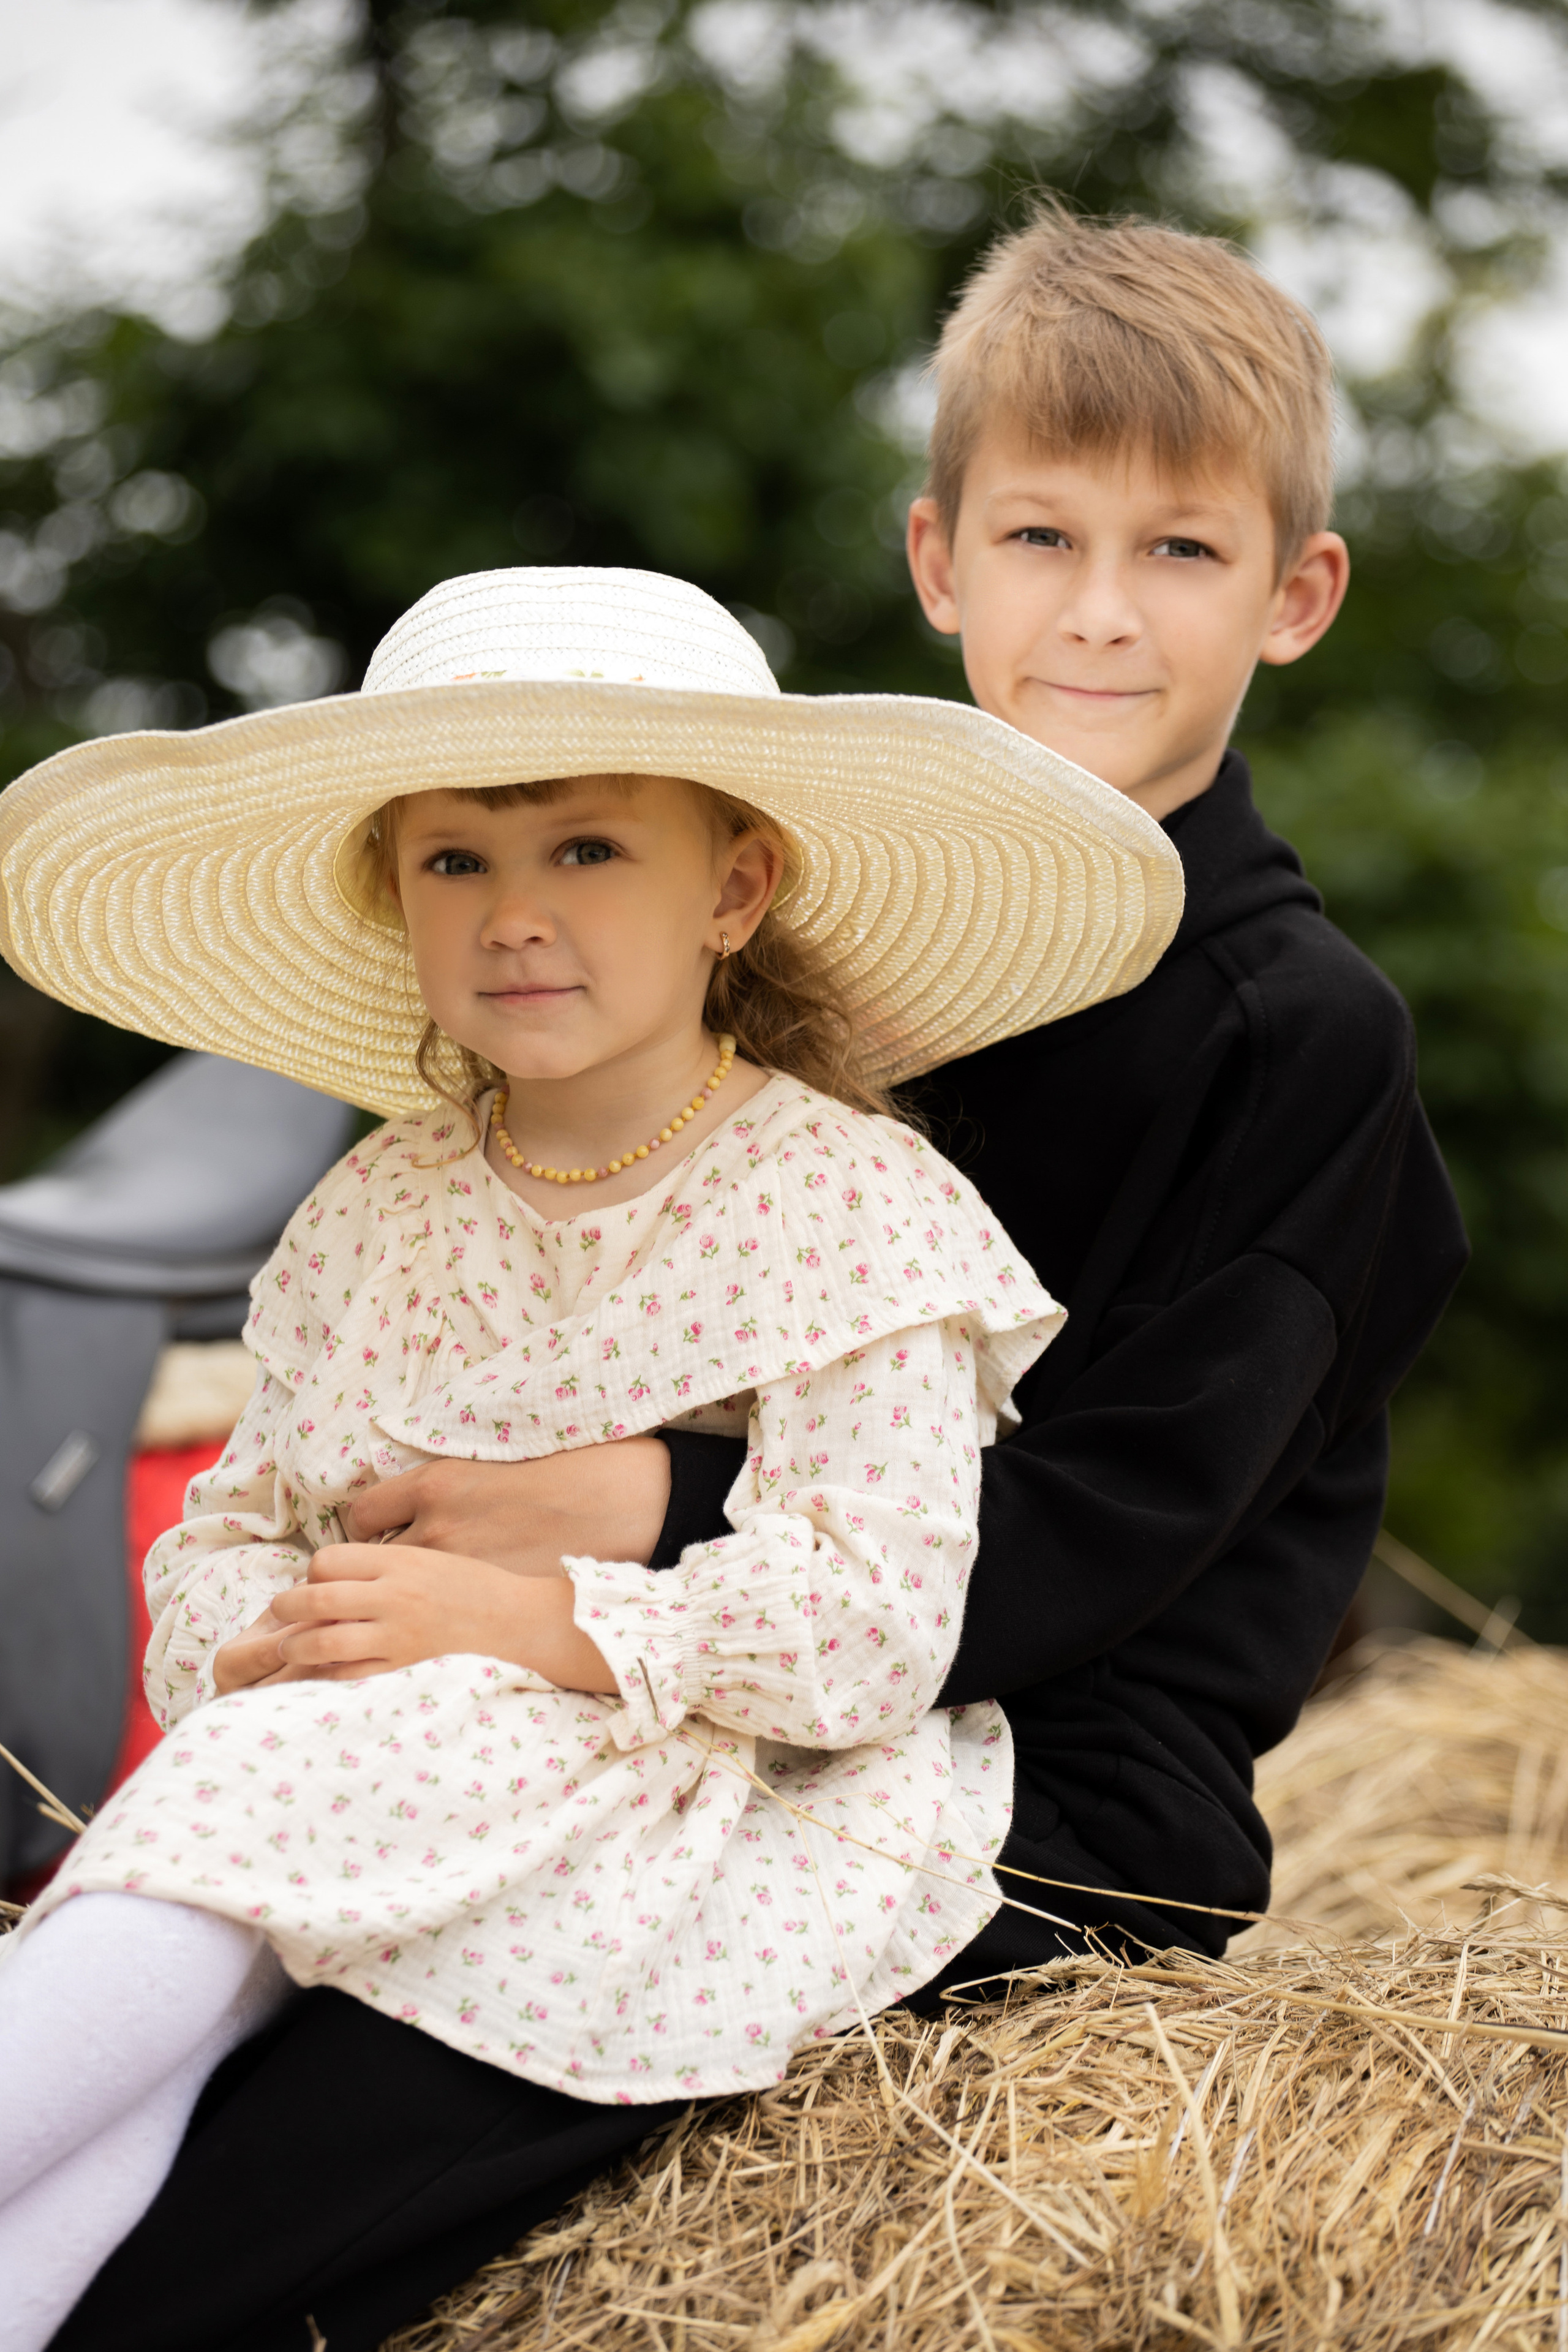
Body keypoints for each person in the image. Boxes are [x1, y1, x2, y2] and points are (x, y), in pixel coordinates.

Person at [37, 203, 1469, 2350]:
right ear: (936, 563)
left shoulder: (1297, 1035)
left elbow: (1100, 1534)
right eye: (1040, 540)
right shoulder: (849, 985)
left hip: (1035, 1787)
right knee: (185, 1978)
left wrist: (628, 1510)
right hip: (656, 1705)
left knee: (280, 2192)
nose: (1097, 613)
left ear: (1295, 593)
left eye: (1176, 553)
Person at [0, 562, 1181, 2352]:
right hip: (368, 1746)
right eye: (455, 860)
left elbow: (871, 1625)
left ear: (737, 885)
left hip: (691, 1787)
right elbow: (230, 1535)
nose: (515, 915)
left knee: (208, 2050)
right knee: (181, 1965)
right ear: (396, 899)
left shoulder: (846, 1202)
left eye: (589, 852)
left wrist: (510, 1619)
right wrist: (292, 1626)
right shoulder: (376, 1208)